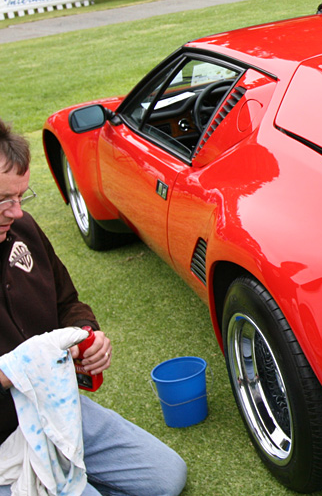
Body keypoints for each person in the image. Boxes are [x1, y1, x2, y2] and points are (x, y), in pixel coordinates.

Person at [0, 119, 187, 496]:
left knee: (166, 478)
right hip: (4, 437)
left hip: (56, 409)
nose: (16, 212)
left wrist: (88, 335)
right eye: (4, 200)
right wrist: (15, 372)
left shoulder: (23, 230)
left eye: (21, 197)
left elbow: (68, 302)